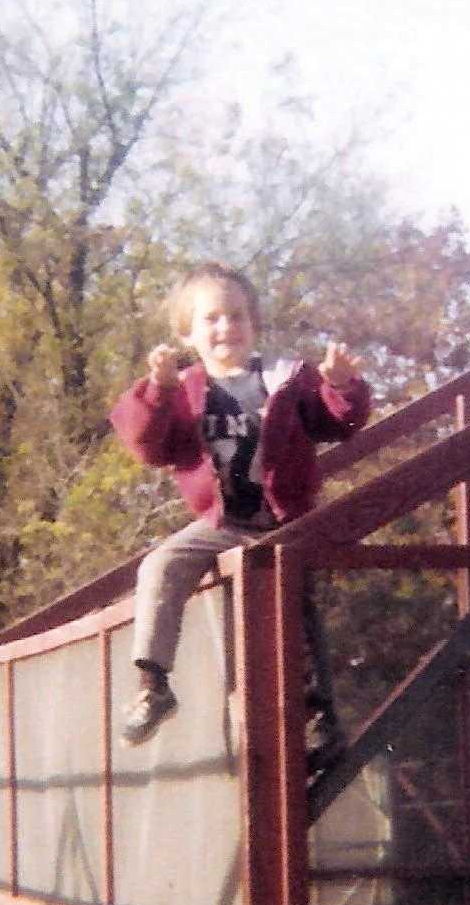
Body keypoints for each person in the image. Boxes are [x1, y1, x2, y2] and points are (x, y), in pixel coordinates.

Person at [109, 262, 372, 762]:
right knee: (162, 563)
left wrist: (340, 385)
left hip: (285, 520)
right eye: (211, 319)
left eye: (236, 317)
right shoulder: (183, 391)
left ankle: (319, 717)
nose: (225, 328)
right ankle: (152, 683)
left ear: (253, 324)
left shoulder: (285, 379)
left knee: (295, 599)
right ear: (187, 332)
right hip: (223, 523)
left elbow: (337, 422)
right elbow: (149, 444)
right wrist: (157, 392)